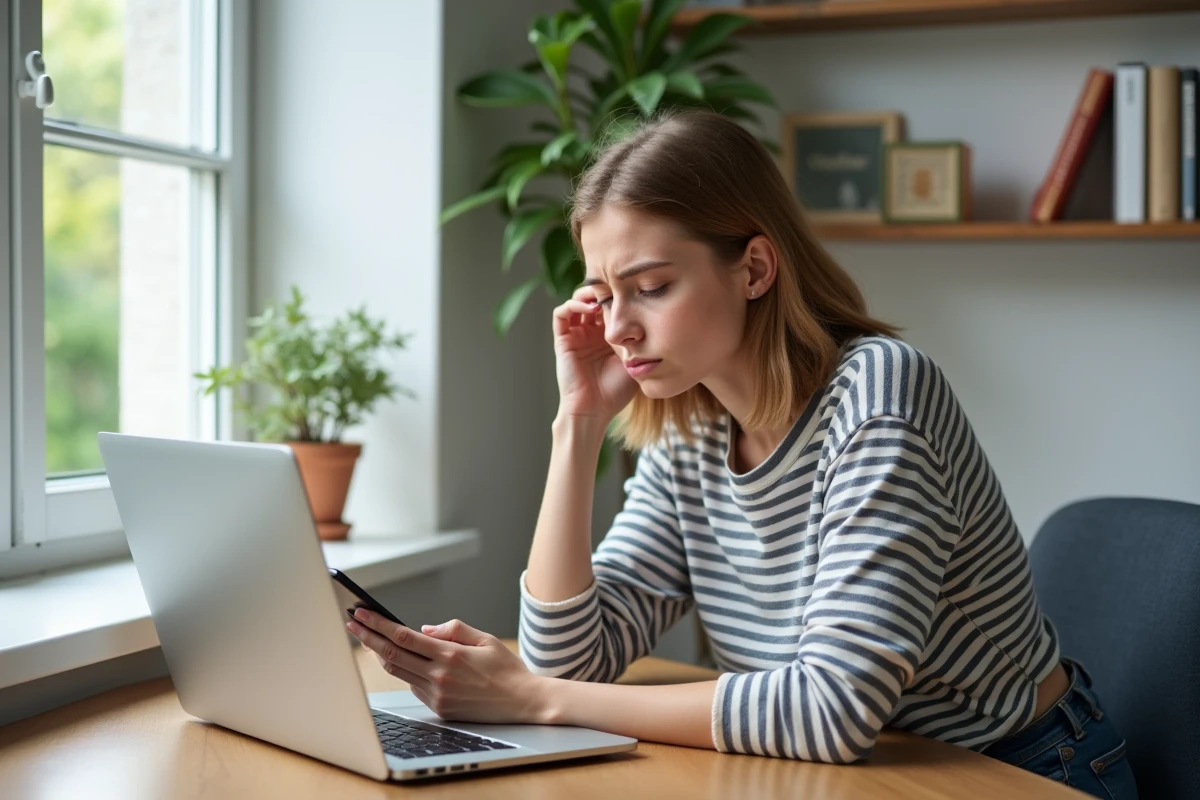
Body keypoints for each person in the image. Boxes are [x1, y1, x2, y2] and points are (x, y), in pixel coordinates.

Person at [346, 110, 1136, 798]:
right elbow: (571, 660)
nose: (618, 327)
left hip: (1019, 770)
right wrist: (577, 423)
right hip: (848, 773)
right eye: (602, 292)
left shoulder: (880, 397)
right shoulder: (692, 422)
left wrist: (534, 702)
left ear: (754, 268)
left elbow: (829, 712)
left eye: (650, 286)